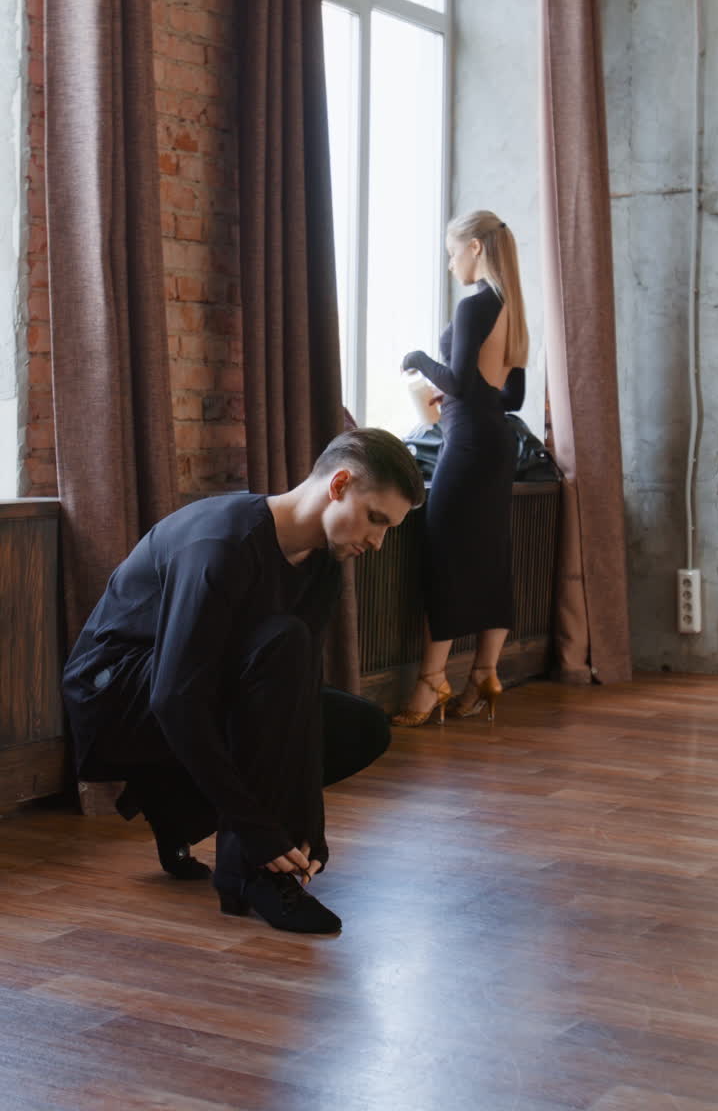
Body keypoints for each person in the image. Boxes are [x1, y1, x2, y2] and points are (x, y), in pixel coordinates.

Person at [62, 429, 425, 935]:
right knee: (282, 642)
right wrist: (259, 831)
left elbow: (296, 701)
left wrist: (308, 825)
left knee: (360, 725)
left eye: (390, 529)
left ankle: (179, 806)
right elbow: (173, 696)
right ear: (338, 484)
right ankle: (249, 873)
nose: (378, 542)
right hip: (116, 695)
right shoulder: (223, 542)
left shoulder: (323, 563)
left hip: (199, 685)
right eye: (376, 519)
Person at [392, 211, 528, 729]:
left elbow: (461, 383)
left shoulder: (475, 305)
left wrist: (420, 359)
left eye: (452, 253)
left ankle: (431, 683)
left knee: (444, 553)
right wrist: (455, 396)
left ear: (474, 247)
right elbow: (509, 395)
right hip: (498, 442)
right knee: (492, 555)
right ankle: (484, 675)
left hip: (469, 444)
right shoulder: (511, 308)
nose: (450, 264)